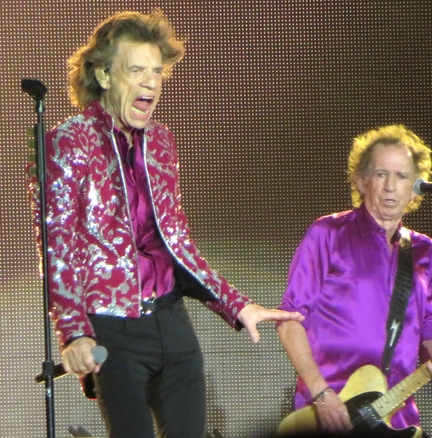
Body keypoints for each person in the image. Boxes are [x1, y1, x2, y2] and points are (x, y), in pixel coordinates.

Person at [31, 10, 303, 438]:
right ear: (103, 74)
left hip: (173, 325)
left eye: (157, 71)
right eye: (136, 69)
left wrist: (237, 305)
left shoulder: (160, 141)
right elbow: (58, 248)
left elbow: (177, 242)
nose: (151, 82)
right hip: (113, 330)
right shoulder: (69, 141)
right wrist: (73, 332)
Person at [276, 125, 432, 435]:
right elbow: (289, 321)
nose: (391, 186)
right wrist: (321, 394)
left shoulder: (423, 249)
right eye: (380, 174)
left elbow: (430, 324)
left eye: (402, 176)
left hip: (397, 415)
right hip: (332, 411)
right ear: (362, 181)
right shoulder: (328, 234)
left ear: (415, 187)